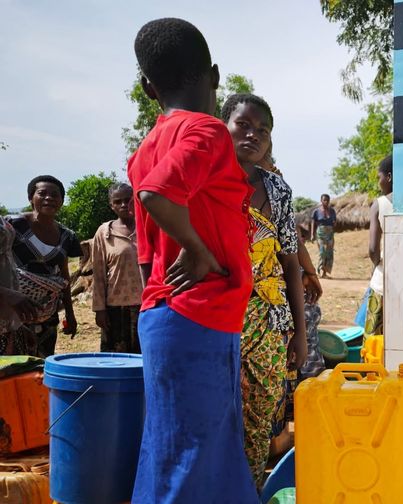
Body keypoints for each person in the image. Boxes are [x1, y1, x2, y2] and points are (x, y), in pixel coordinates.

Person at [127, 18, 258, 502]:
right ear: (215, 75)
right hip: (198, 314)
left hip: (167, 316)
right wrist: (199, 251)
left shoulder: (145, 147)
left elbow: (146, 253)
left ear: (147, 87)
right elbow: (155, 195)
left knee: (178, 451)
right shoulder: (206, 131)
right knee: (192, 460)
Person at [220, 92, 309, 489]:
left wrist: (300, 334)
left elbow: (290, 263)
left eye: (263, 131)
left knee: (260, 416)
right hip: (218, 317)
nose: (253, 135)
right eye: (244, 124)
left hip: (270, 322)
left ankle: (249, 491)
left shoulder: (278, 191)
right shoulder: (208, 180)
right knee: (217, 411)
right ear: (223, 126)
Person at [258, 151, 325, 381]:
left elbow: (291, 242)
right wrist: (308, 272)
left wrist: (309, 272)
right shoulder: (244, 186)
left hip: (281, 289)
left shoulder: (275, 189)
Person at [5, 176, 82, 357]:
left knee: (41, 367)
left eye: (55, 195)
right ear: (31, 198)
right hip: (12, 312)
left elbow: (64, 277)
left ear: (62, 201)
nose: (49, 198)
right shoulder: (12, 225)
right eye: (42, 193)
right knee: (11, 367)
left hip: (46, 315)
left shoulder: (66, 236)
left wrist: (70, 314)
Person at [91, 182, 143, 353]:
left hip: (146, 305)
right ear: (111, 205)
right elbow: (98, 274)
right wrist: (100, 309)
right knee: (116, 360)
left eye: (128, 200)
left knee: (144, 358)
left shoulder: (146, 227)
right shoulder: (104, 233)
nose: (123, 205)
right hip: (115, 307)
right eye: (118, 201)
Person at [365, 155, 393, 337]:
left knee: (374, 341)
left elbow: (373, 249)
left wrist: (377, 265)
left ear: (389, 177)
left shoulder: (380, 204)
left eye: (379, 177)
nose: (379, 182)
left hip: (384, 283)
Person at [310, 194, 336, 278]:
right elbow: (313, 223)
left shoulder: (332, 211)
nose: (326, 201)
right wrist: (312, 234)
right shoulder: (316, 211)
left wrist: (331, 228)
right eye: (324, 200)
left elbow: (334, 222)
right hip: (320, 233)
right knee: (322, 252)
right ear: (321, 200)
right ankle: (319, 271)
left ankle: (324, 273)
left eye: (327, 200)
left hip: (330, 234)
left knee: (329, 253)